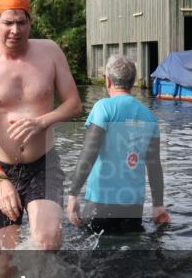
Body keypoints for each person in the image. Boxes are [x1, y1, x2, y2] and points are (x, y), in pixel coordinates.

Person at [0, 0, 82, 251]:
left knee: (48, 242)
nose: (15, 30)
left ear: (30, 22)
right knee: (4, 264)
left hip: (43, 164)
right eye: (7, 23)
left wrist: (42, 121)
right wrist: (1, 182)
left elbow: (74, 105)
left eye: (21, 22)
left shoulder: (49, 52)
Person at [66, 55, 170, 234]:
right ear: (133, 81)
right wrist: (158, 205)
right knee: (129, 256)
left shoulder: (103, 108)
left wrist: (73, 194)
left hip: (101, 201)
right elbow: (154, 166)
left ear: (108, 81)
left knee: (93, 255)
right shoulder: (150, 117)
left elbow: (89, 152)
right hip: (133, 205)